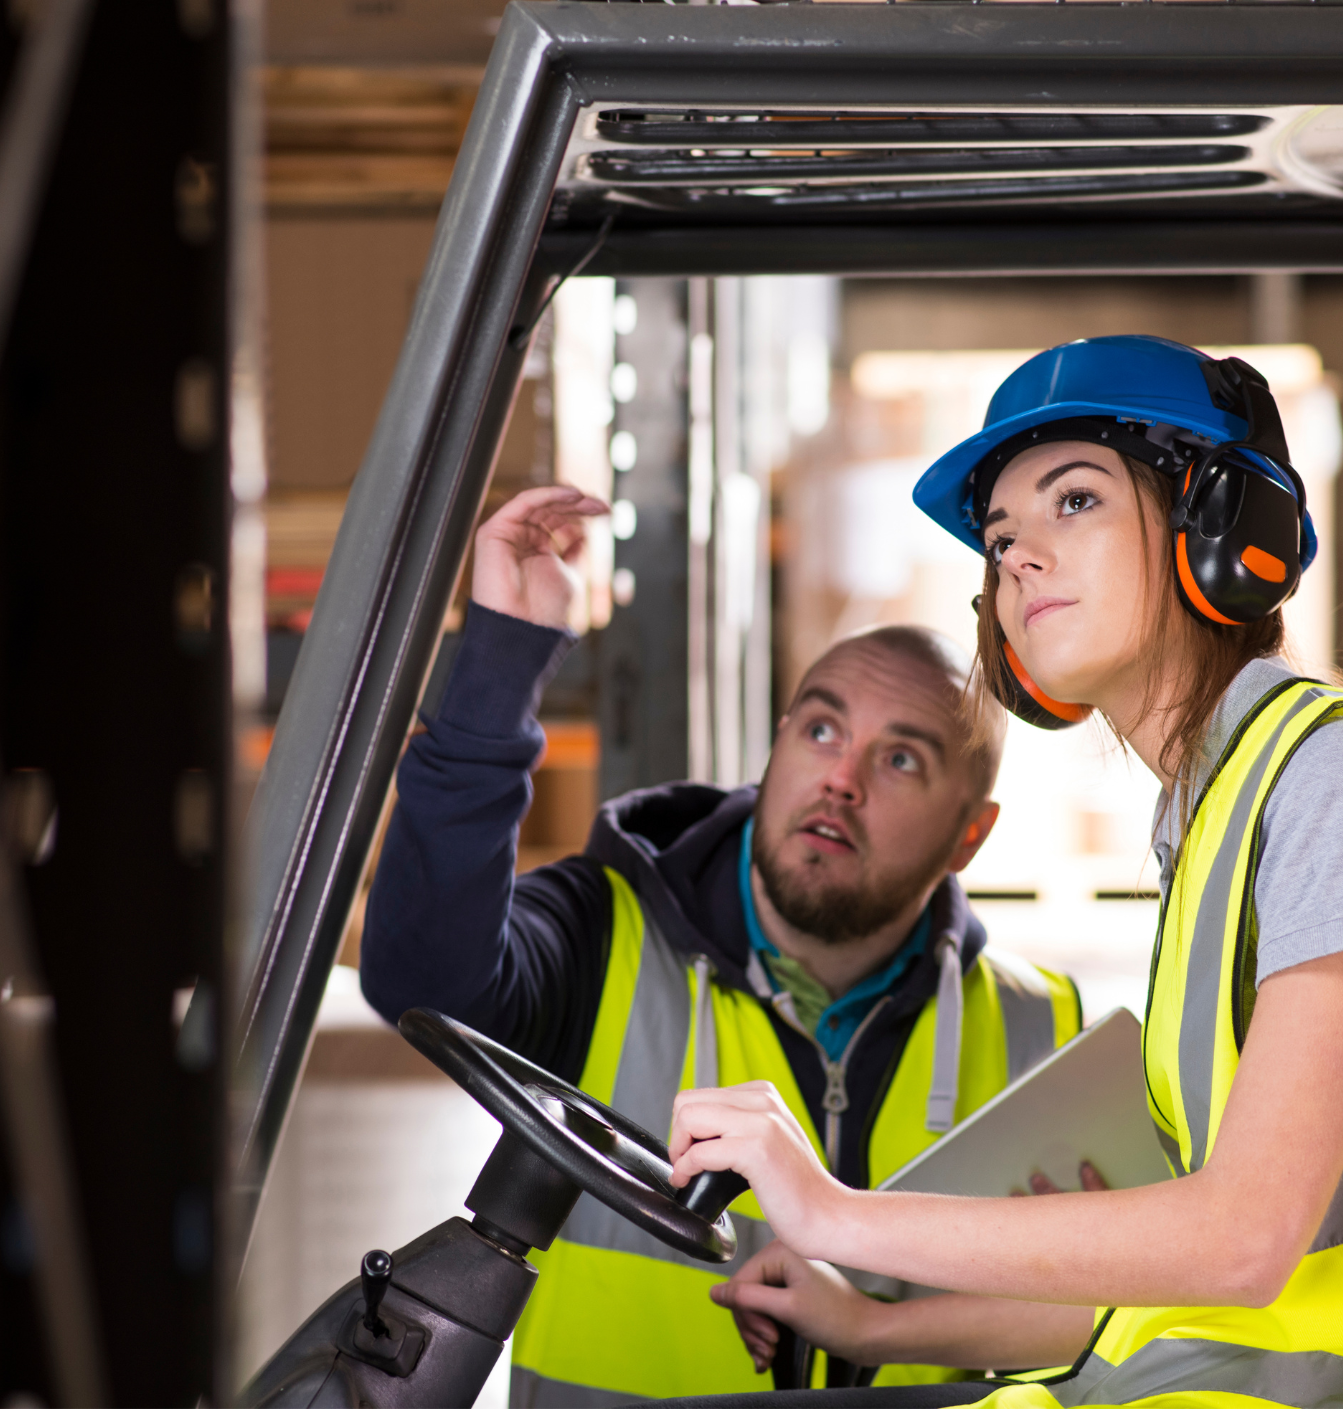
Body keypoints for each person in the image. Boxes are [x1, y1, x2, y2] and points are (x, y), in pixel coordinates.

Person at [665, 335, 1343, 1409]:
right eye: (1000, 535)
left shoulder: (1334, 773)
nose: (1016, 556)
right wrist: (876, 1320)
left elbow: (1242, 1241)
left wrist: (832, 1211)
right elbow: (1171, 1276)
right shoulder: (1217, 813)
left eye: (1072, 501)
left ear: (1221, 529)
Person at [361, 485, 1083, 1407]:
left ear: (967, 837)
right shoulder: (601, 933)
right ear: (777, 746)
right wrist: (503, 656)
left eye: (901, 759)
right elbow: (420, 979)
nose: (841, 780)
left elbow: (1100, 1346)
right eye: (820, 730)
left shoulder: (1041, 1031)